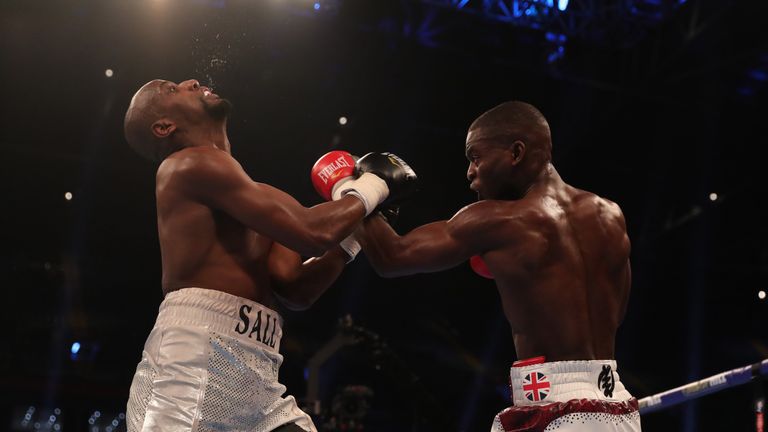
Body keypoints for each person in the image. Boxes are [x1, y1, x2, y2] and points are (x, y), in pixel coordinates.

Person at [122, 78, 414, 432]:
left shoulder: (254, 196)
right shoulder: (186, 165)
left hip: (258, 373)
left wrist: (353, 233)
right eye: (173, 89)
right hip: (189, 367)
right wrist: (372, 187)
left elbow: (294, 287)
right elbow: (313, 233)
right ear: (164, 126)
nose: (191, 81)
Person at [353, 101, 641, 431]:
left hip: (558, 407)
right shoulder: (611, 215)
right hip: (616, 403)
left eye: (475, 157)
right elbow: (614, 314)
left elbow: (392, 257)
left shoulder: (499, 220)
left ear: (515, 153)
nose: (470, 172)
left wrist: (354, 189)